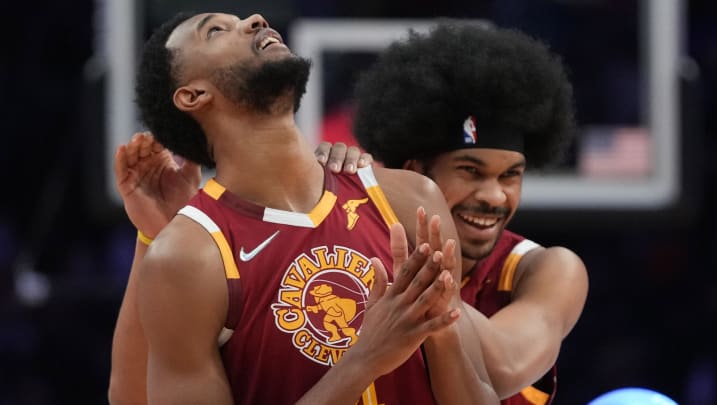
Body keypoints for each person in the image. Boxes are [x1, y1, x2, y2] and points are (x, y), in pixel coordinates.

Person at [108, 11, 497, 405]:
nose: (255, 20)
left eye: (246, 18)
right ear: (193, 95)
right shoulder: (190, 254)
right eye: (216, 30)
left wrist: (441, 330)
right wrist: (365, 359)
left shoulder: (412, 199)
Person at [344, 21, 589, 405]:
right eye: (470, 171)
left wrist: (365, 182)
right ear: (415, 174)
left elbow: (502, 368)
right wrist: (323, 183)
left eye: (511, 176)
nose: (494, 196)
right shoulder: (357, 253)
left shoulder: (550, 269)